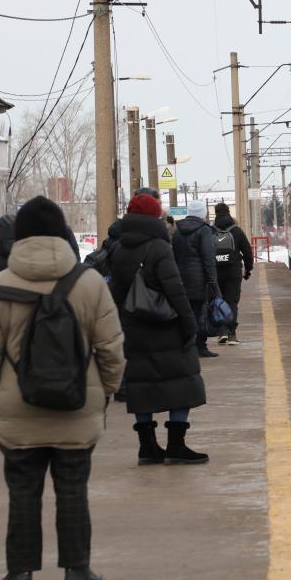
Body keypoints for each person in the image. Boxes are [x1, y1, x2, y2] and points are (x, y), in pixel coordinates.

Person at [0, 196, 125, 580]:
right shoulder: (88, 282)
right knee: (73, 490)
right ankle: (78, 574)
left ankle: (19, 578)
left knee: (23, 493)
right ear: (62, 234)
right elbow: (111, 350)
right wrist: (102, 396)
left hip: (17, 411)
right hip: (77, 407)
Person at [109, 194, 208, 465]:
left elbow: (116, 292)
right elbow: (175, 289)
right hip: (165, 326)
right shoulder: (158, 247)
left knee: (141, 385)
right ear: (154, 217)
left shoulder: (119, 248)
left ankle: (147, 448)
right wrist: (189, 323)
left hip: (133, 327)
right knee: (184, 381)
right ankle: (176, 445)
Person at [173, 200, 221, 358]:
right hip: (199, 279)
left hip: (181, 278)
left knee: (187, 313)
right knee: (202, 313)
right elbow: (208, 258)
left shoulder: (177, 230)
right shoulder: (204, 230)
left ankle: (188, 345)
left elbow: (174, 255)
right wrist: (212, 281)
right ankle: (200, 346)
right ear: (203, 213)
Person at [212, 202, 253, 345]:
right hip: (233, 271)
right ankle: (232, 333)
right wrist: (248, 269)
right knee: (232, 302)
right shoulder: (236, 231)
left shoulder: (210, 231)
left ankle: (222, 330)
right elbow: (247, 251)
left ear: (216, 213)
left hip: (215, 272)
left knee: (218, 301)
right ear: (229, 212)